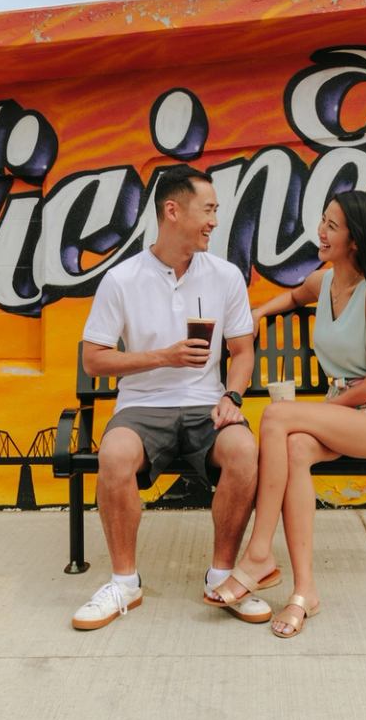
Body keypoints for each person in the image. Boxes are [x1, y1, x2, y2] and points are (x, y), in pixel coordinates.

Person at [71, 164, 273, 630]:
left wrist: (233, 396)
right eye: (208, 210)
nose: (214, 222)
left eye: (216, 211)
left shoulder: (225, 276)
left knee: (244, 450)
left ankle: (223, 577)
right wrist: (163, 357)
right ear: (173, 211)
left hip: (207, 405)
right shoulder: (122, 279)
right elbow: (94, 361)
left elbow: (242, 352)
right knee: (114, 455)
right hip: (142, 407)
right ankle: (124, 583)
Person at [205, 189, 366, 638]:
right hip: (343, 410)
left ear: (354, 240)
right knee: (296, 448)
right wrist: (259, 312)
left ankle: (259, 553)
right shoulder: (325, 281)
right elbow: (295, 297)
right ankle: (305, 592)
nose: (320, 231)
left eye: (332, 226)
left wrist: (317, 412)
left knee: (278, 418)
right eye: (323, 221)